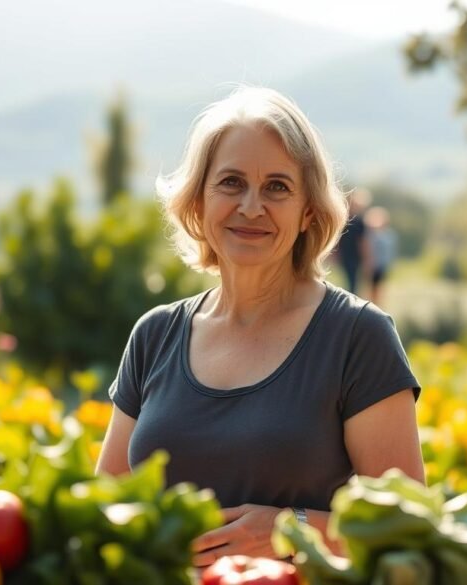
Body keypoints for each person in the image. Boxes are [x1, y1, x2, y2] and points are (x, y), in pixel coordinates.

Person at [95, 87, 424, 566]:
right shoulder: (155, 335)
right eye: (230, 183)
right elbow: (107, 505)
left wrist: (293, 531)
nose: (251, 206)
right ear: (197, 201)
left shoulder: (358, 336)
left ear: (308, 210)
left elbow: (411, 531)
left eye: (277, 187)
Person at [335, 188, 372, 295]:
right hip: (352, 256)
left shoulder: (345, 219)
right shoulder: (358, 221)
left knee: (351, 282)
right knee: (353, 282)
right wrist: (367, 258)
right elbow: (363, 242)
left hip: (349, 255)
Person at [363, 205, 397, 307]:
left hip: (383, 264)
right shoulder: (370, 235)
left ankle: (377, 305)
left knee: (379, 287)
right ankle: (370, 305)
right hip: (372, 265)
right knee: (369, 287)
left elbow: (391, 252)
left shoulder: (390, 235)